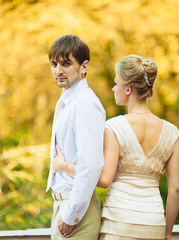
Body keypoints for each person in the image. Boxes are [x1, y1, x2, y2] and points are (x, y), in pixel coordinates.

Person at [54, 54, 179, 239]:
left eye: (116, 84)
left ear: (128, 89)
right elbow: (175, 189)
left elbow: (104, 180)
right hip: (153, 221)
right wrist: (168, 232)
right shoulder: (172, 133)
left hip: (119, 220)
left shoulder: (114, 127)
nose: (114, 89)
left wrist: (63, 165)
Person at [46, 34, 105, 239]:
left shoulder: (84, 104)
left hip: (76, 211)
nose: (58, 70)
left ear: (84, 66)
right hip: (64, 204)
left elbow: (91, 166)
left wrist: (71, 215)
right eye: (54, 64)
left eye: (66, 63)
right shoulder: (69, 100)